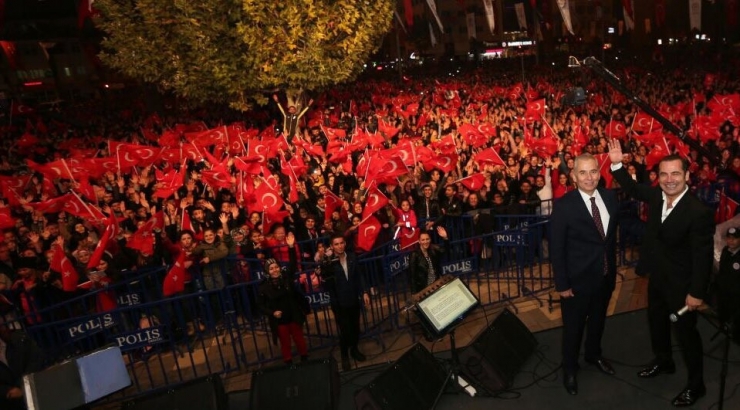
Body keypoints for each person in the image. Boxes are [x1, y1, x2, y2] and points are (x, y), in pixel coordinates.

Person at [608, 139, 714, 407]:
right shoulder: (656, 196)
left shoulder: (698, 212)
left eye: (675, 174)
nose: (669, 180)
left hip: (683, 286)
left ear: (687, 176)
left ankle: (696, 385)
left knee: (687, 336)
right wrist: (618, 163)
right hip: (656, 278)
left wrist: (696, 293)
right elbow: (632, 188)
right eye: (664, 174)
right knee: (656, 324)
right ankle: (664, 361)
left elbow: (702, 257)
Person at [549, 153, 619, 396]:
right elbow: (556, 248)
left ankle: (593, 355)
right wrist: (562, 284)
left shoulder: (610, 197)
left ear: (599, 174)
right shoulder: (564, 205)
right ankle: (570, 368)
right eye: (583, 172)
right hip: (576, 283)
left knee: (599, 321)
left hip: (605, 277)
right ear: (574, 177)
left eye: (593, 172)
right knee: (573, 329)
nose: (589, 177)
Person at [317, 233, 370, 371]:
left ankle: (354, 350)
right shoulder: (328, 262)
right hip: (338, 302)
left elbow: (359, 276)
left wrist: (364, 292)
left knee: (355, 327)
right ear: (332, 246)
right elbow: (326, 285)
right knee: (345, 330)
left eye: (341, 243)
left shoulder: (352, 257)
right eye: (336, 244)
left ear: (345, 244)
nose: (339, 246)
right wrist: (322, 271)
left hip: (353, 298)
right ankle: (344, 356)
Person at [257, 232, 310, 365]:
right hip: (279, 319)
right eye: (271, 268)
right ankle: (288, 362)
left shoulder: (286, 277)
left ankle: (304, 358)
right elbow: (260, 305)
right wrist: (273, 313)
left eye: (276, 267)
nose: (274, 270)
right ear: (267, 271)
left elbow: (293, 264)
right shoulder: (263, 287)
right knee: (285, 342)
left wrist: (291, 247)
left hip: (293, 314)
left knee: (299, 338)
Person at [0, 323, 45, 410]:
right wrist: (7, 391)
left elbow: (36, 359)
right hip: (9, 402)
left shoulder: (20, 339)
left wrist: (24, 386)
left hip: (37, 390)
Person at [715, 227, 740, 340]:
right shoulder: (725, 250)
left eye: (734, 239)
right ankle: (723, 327)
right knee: (723, 312)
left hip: (736, 293)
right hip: (724, 290)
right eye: (729, 238)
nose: (731, 241)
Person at [408, 227, 449, 294]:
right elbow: (412, 275)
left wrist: (445, 238)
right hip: (423, 288)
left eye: (427, 239)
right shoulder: (414, 255)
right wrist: (414, 293)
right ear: (419, 241)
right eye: (423, 240)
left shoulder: (433, 249)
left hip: (436, 285)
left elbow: (445, 251)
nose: (425, 242)